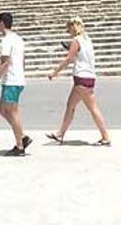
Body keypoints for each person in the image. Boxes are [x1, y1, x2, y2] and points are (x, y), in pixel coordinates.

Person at [46, 17, 111, 146]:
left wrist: (54, 72)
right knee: (71, 106)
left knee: (91, 108)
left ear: (73, 27)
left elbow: (68, 59)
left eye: (68, 28)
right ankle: (60, 134)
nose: (68, 31)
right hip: (89, 77)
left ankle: (105, 136)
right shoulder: (87, 40)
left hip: (81, 78)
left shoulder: (76, 41)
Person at [0, 12, 32, 156]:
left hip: (12, 80)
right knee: (2, 110)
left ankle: (20, 146)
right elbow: (23, 60)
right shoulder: (18, 39)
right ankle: (22, 136)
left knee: (13, 113)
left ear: (2, 23)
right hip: (15, 79)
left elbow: (5, 62)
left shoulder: (7, 40)